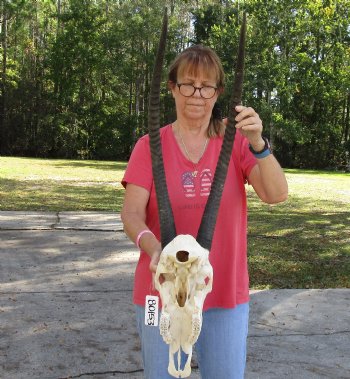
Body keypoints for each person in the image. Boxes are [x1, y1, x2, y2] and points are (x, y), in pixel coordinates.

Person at [121, 45, 288, 379]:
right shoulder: (147, 146)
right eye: (187, 84)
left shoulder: (237, 142)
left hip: (223, 292)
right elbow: (131, 215)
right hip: (161, 289)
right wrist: (154, 248)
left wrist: (258, 143)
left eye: (206, 86)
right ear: (172, 87)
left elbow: (276, 194)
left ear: (218, 93)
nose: (196, 94)